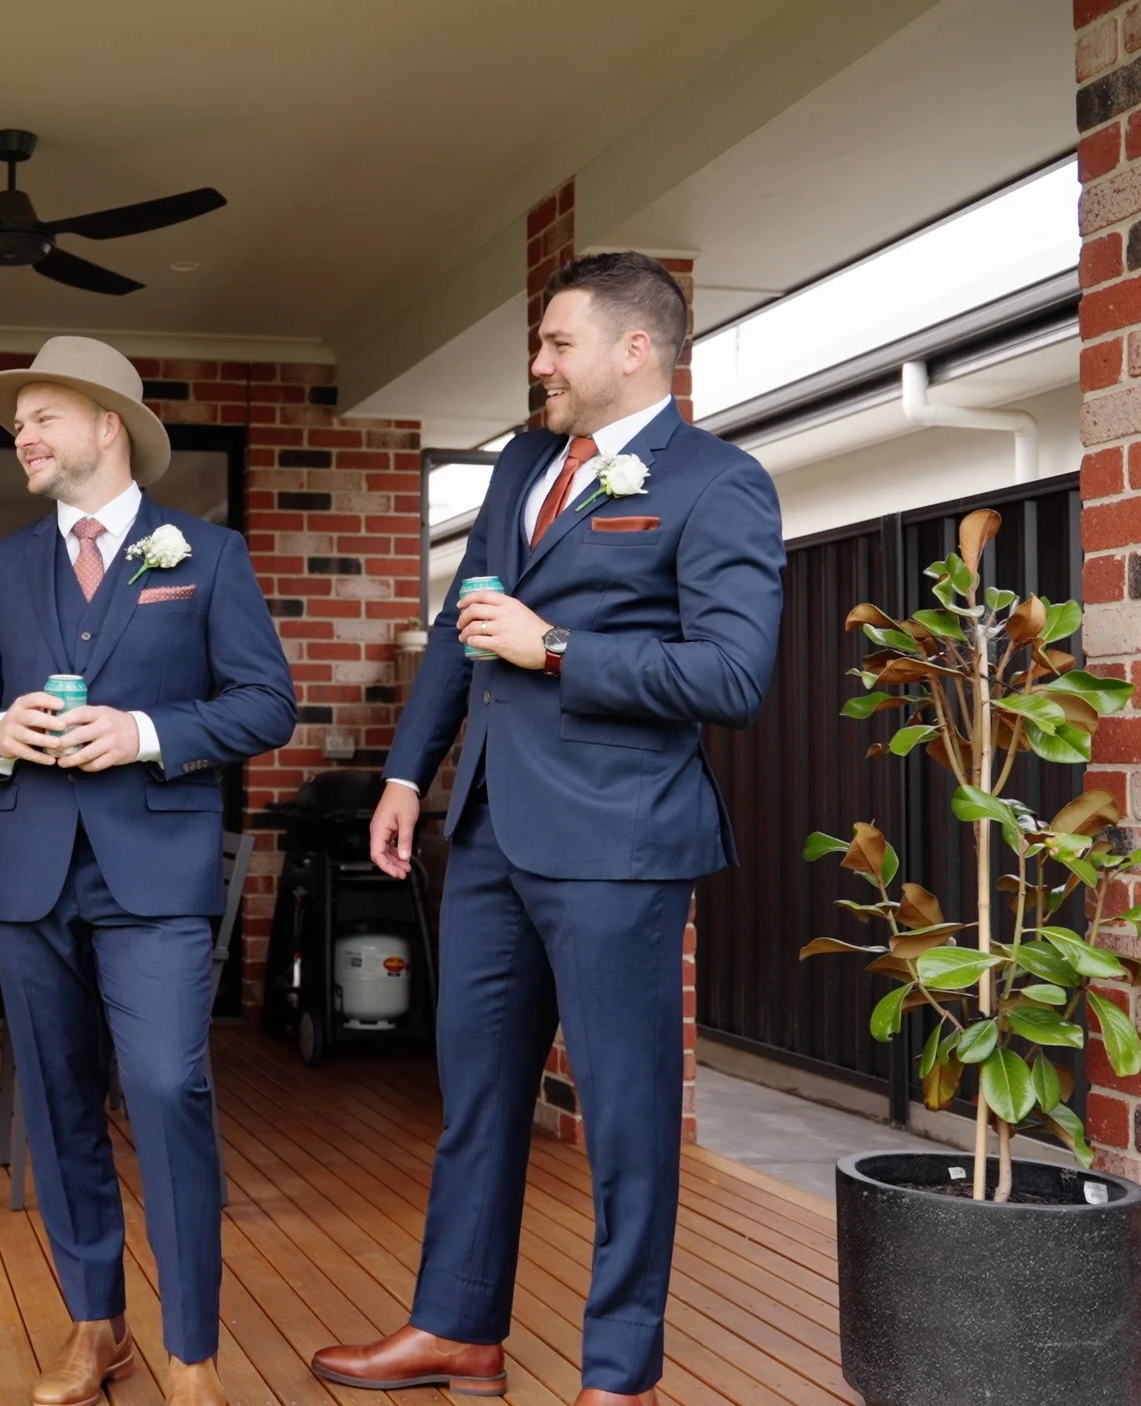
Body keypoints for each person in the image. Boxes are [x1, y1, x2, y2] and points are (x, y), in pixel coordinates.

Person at [309, 254, 784, 1406]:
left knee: (624, 1118)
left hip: (620, 842)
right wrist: (405, 773)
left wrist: (557, 647)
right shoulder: (523, 464)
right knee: (475, 1098)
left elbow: (732, 673)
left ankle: (618, 1375)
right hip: (485, 833)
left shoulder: (720, 482)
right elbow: (456, 626)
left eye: (558, 342)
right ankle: (455, 1328)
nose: (539, 365)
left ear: (635, 348)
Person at [0, 336, 296, 1406]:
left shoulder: (208, 556)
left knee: (167, 1084)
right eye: (18, 427)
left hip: (156, 874)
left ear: (109, 425)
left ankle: (192, 1352)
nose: (24, 438)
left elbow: (266, 704)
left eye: (42, 418)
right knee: (56, 1103)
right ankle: (96, 1325)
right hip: (29, 871)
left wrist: (143, 731)